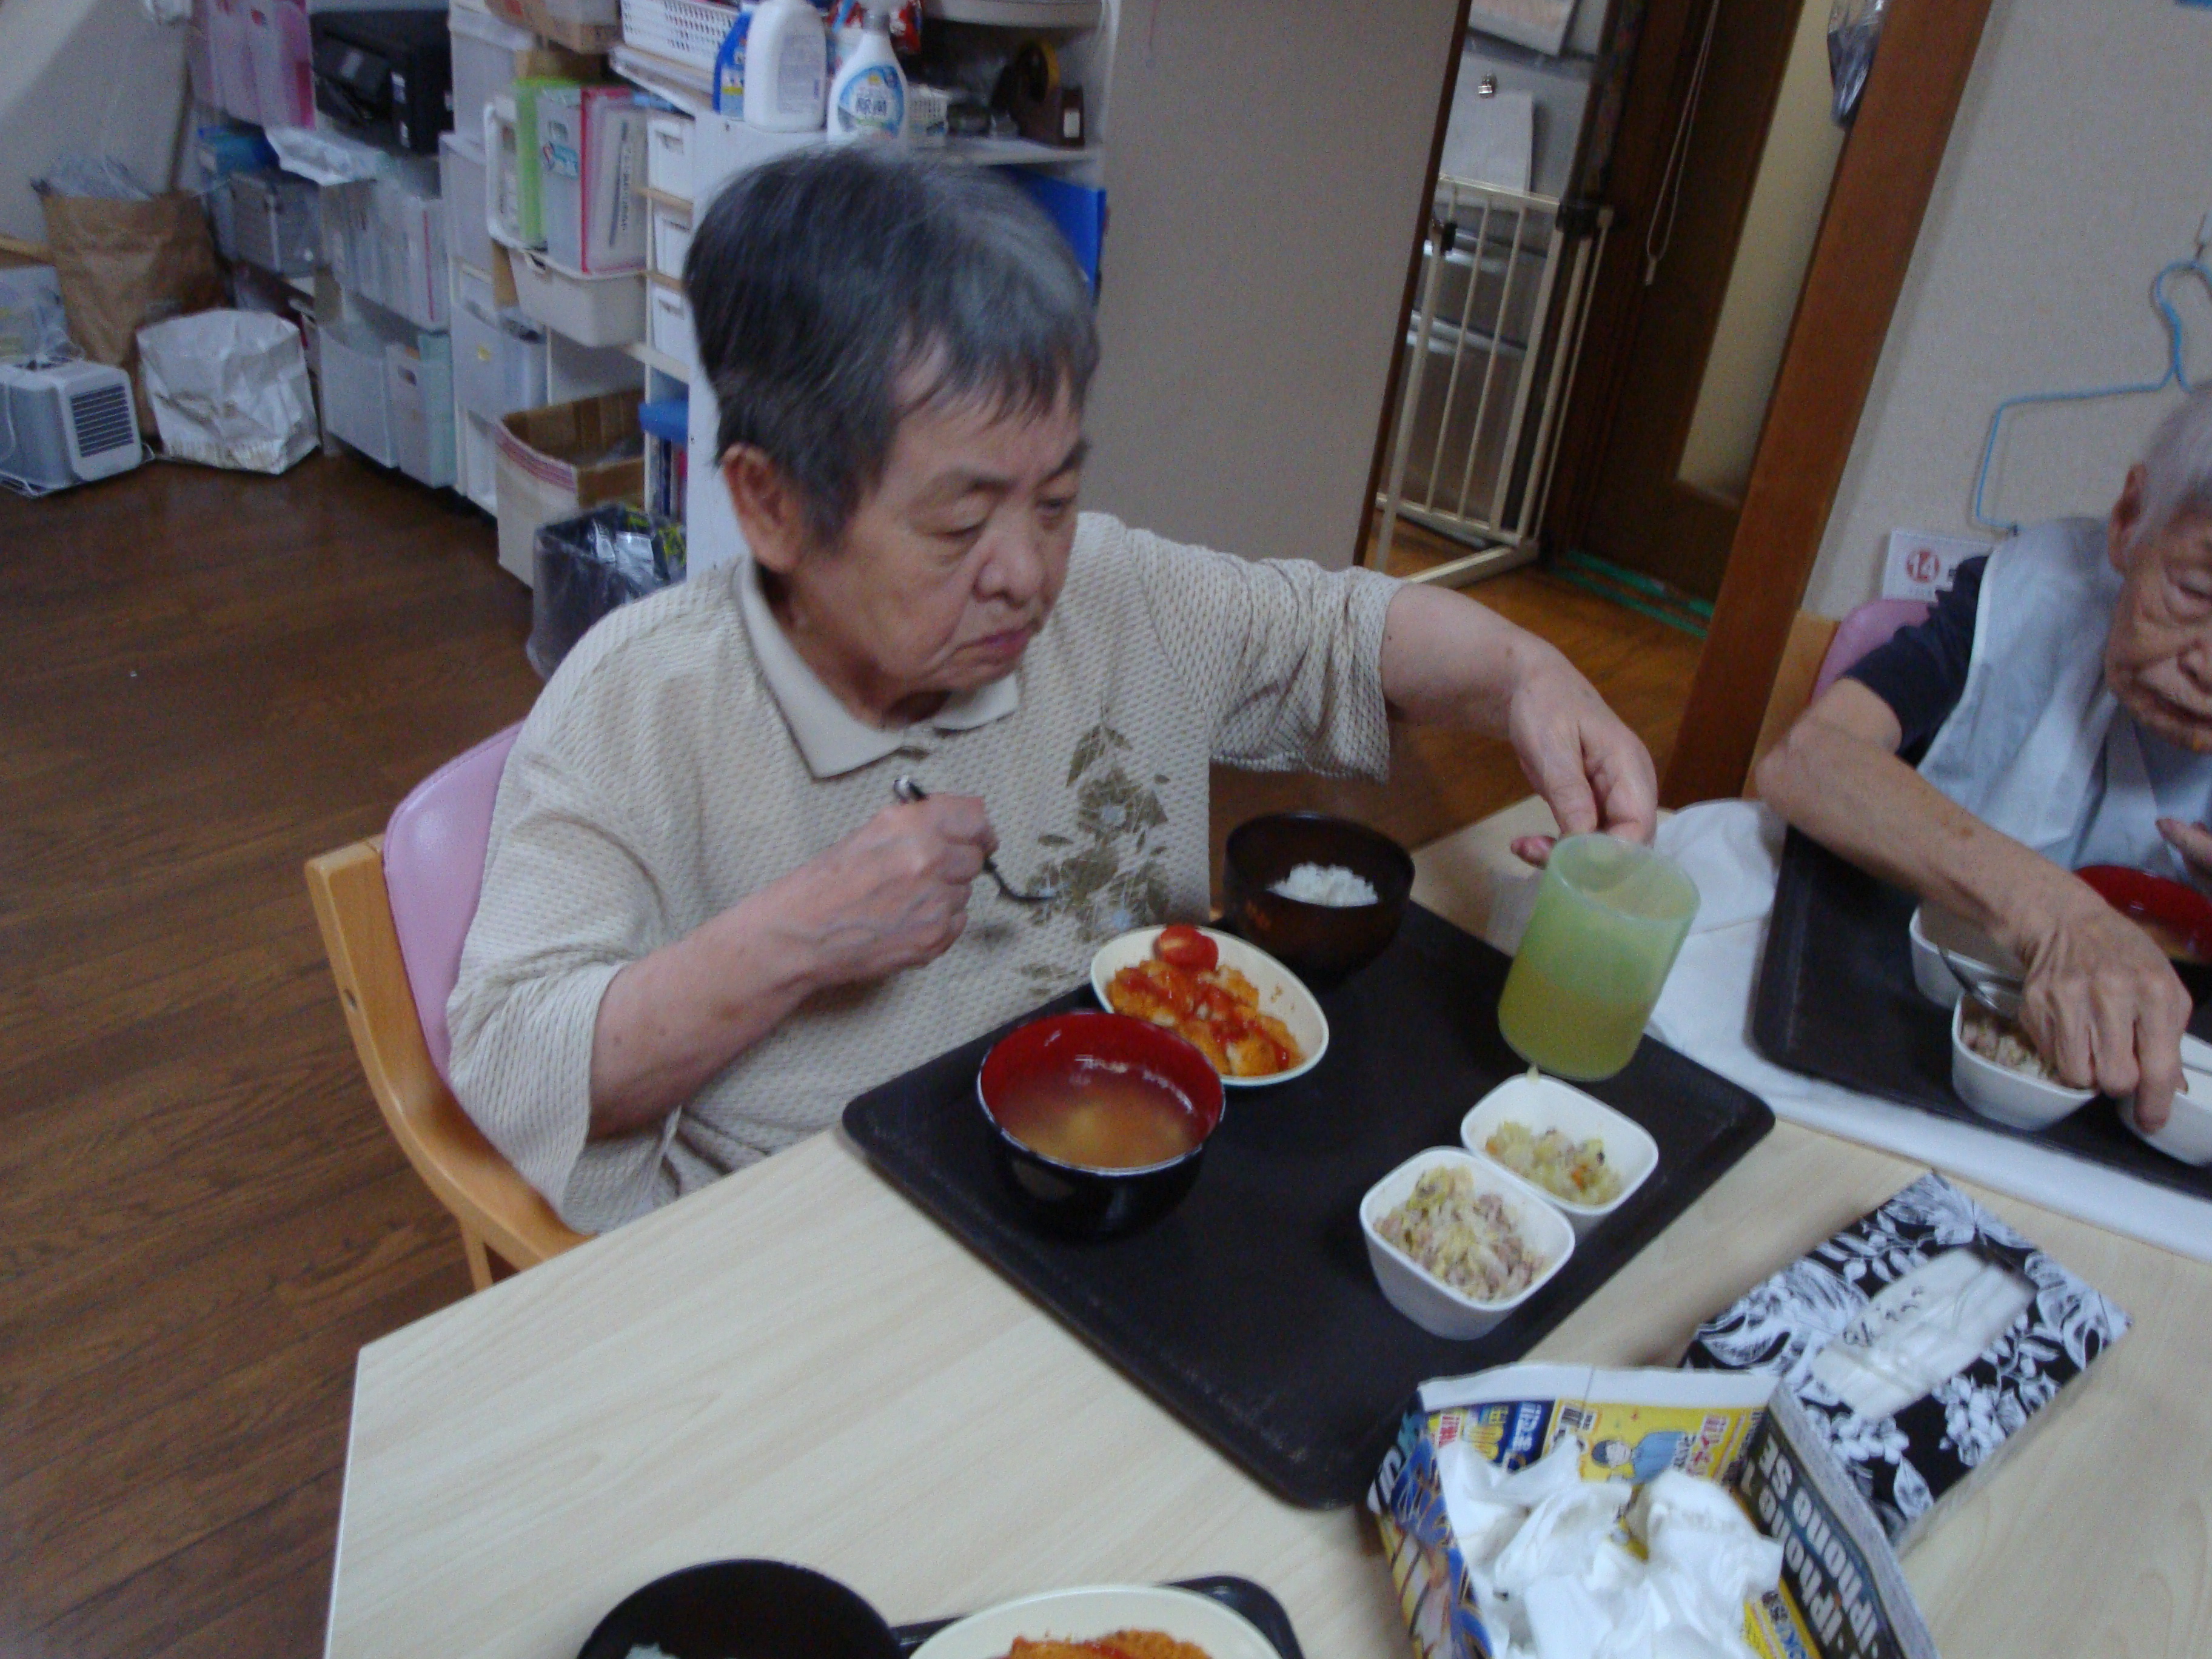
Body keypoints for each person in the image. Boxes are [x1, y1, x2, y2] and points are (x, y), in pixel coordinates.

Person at [448, 148, 1658, 1233]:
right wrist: (800, 936)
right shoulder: (642, 703)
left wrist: (1525, 674)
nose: (1027, 574)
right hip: (828, 1265)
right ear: (770, 504)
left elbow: (1338, 632)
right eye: (959, 523)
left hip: (1136, 1193)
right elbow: (511, 1059)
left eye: (1057, 501)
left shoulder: (1116, 595)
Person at [1757, 388, 2212, 1131]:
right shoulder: (2027, 596)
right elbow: (1807, 762)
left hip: (2128, 1103)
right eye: (2196, 592)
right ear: (2131, 522)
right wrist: (2059, 917)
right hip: (1903, 1022)